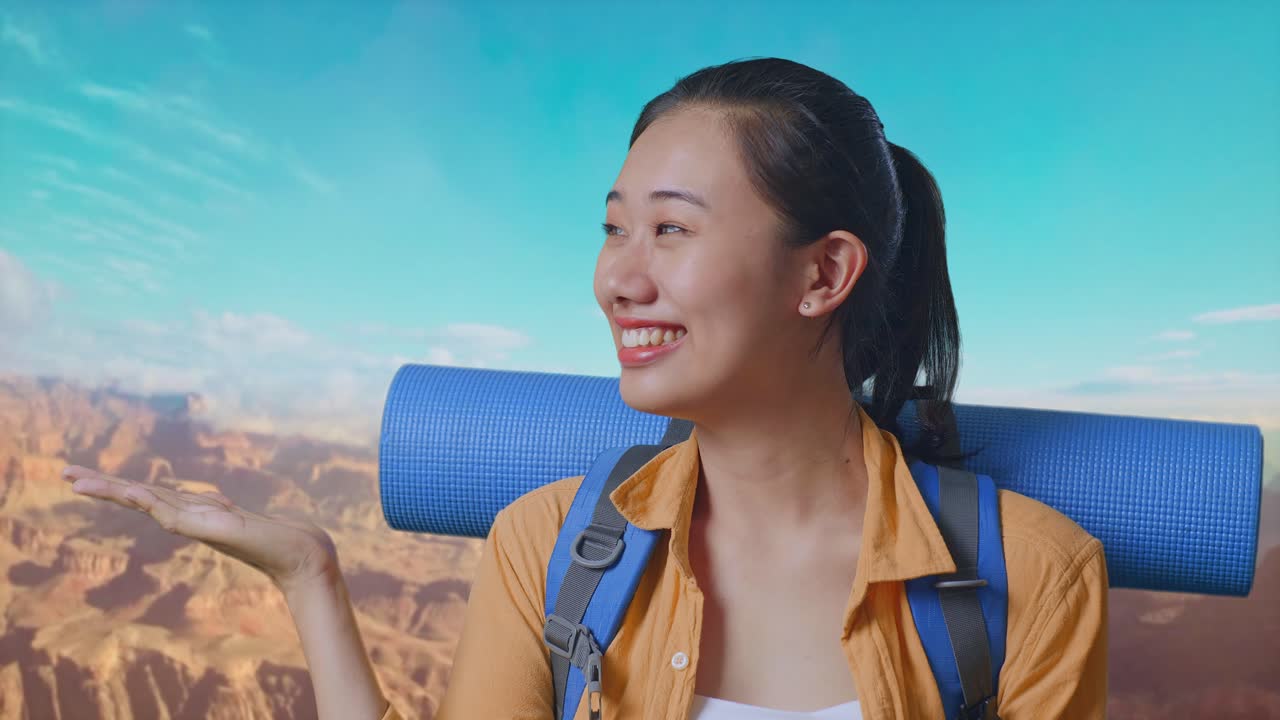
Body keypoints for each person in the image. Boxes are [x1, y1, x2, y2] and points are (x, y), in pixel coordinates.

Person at [61, 57, 1108, 720]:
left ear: (822, 273)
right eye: (613, 228)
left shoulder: (1034, 581)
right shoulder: (548, 549)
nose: (616, 278)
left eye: (670, 228)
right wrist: (310, 578)